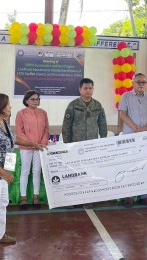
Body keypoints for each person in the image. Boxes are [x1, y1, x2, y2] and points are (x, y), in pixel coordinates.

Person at [0, 93, 45, 243]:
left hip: (1, 174)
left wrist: (34, 144)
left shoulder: (3, 122)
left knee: (2, 204)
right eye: (7, 105)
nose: (10, 107)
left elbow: (14, 138)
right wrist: (3, 174)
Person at [62, 78, 107, 209]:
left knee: (89, 172)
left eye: (90, 88)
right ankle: (72, 200)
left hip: (91, 146)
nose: (88, 91)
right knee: (74, 173)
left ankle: (87, 199)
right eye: (85, 88)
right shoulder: (73, 105)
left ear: (93, 90)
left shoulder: (97, 106)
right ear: (80, 89)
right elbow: (66, 126)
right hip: (75, 144)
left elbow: (102, 125)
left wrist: (103, 142)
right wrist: (67, 144)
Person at [118, 73, 147, 207]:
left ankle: (144, 195)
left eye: (143, 82)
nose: (141, 84)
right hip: (130, 137)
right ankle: (129, 195)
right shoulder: (126, 96)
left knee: (145, 165)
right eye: (138, 82)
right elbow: (122, 114)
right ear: (133, 82)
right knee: (129, 166)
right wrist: (136, 128)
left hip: (145, 137)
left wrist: (145, 128)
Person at [15, 90, 49, 210]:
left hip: (40, 148)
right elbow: (19, 132)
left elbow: (46, 131)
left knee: (37, 172)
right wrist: (32, 144)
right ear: (26, 101)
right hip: (26, 148)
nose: (36, 101)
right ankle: (23, 198)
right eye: (33, 99)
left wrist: (42, 143)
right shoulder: (21, 113)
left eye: (37, 99)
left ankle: (36, 197)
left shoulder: (43, 113)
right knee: (25, 172)